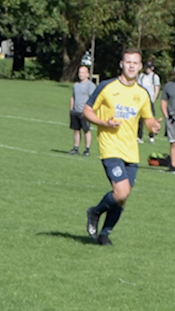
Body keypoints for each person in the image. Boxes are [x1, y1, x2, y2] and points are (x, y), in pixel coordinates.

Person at [81, 48, 161, 245]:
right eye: (128, 62)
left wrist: (154, 127)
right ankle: (95, 211)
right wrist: (103, 123)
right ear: (121, 64)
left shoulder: (142, 94)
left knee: (122, 198)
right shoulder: (107, 87)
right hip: (110, 148)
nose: (131, 66)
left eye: (135, 63)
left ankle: (104, 234)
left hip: (131, 152)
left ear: (140, 67)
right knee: (121, 192)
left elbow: (148, 120)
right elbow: (87, 110)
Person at [68, 61, 97, 154]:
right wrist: (71, 108)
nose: (80, 74)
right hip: (75, 112)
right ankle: (75, 148)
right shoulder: (76, 85)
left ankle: (87, 149)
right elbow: (73, 97)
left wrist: (88, 111)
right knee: (76, 130)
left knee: (86, 130)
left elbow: (93, 99)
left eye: (83, 72)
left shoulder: (90, 85)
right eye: (79, 72)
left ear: (87, 74)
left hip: (84, 113)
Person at [138, 61, 163, 148]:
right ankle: (139, 136)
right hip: (141, 100)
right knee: (140, 119)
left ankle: (151, 136)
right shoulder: (141, 76)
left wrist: (154, 99)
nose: (148, 69)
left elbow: (157, 88)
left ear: (152, 68)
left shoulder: (154, 77)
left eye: (149, 67)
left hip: (150, 100)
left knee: (151, 118)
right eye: (147, 67)